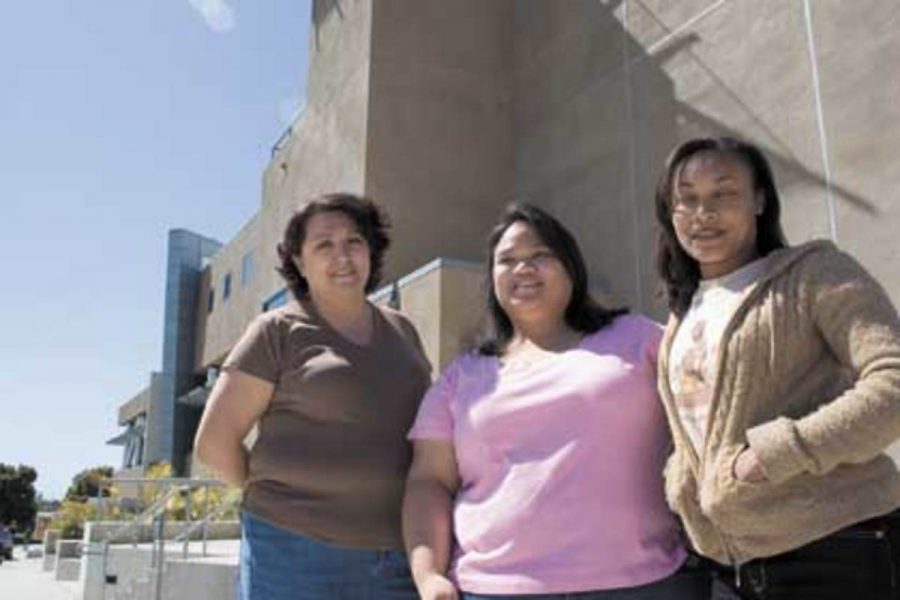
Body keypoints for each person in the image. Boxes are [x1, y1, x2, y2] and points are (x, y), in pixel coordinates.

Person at [404, 204, 708, 600]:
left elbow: (710, 406)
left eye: (540, 256)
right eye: (507, 260)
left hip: (644, 582)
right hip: (495, 587)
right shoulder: (459, 378)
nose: (523, 268)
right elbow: (430, 481)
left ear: (571, 266)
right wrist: (429, 577)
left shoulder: (640, 340)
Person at [653, 136, 900, 599]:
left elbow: (893, 382)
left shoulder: (814, 273)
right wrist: (680, 481)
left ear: (759, 200)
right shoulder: (683, 315)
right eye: (686, 198)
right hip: (733, 564)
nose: (702, 212)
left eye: (723, 194)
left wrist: (770, 455)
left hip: (835, 545)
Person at [194, 193, 431, 599]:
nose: (343, 255)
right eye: (324, 245)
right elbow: (214, 443)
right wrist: (277, 496)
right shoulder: (276, 331)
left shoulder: (404, 331)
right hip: (294, 554)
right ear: (300, 262)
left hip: (398, 554)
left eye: (354, 241)